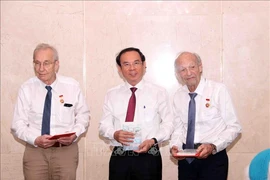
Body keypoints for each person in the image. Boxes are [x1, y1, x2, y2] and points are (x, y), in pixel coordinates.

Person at [11, 43, 90, 180]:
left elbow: (83, 116)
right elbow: (17, 124)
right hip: (35, 151)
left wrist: (75, 134)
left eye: (46, 63)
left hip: (66, 151)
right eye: (37, 63)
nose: (41, 69)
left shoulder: (72, 86)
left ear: (56, 64)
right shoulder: (26, 88)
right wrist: (35, 139)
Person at [99, 47, 173, 180]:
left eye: (136, 63)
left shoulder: (158, 93)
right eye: (126, 64)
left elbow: (169, 124)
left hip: (149, 155)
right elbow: (103, 126)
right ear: (119, 69)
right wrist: (114, 134)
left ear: (144, 65)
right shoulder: (112, 94)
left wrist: (153, 140)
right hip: (120, 155)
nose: (132, 68)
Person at [170, 51, 242, 180]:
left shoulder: (218, 90)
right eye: (183, 70)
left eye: (192, 67)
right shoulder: (178, 96)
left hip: (213, 157)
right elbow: (178, 129)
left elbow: (234, 127)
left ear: (200, 67)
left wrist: (213, 146)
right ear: (178, 74)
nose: (188, 73)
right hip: (186, 158)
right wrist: (175, 146)